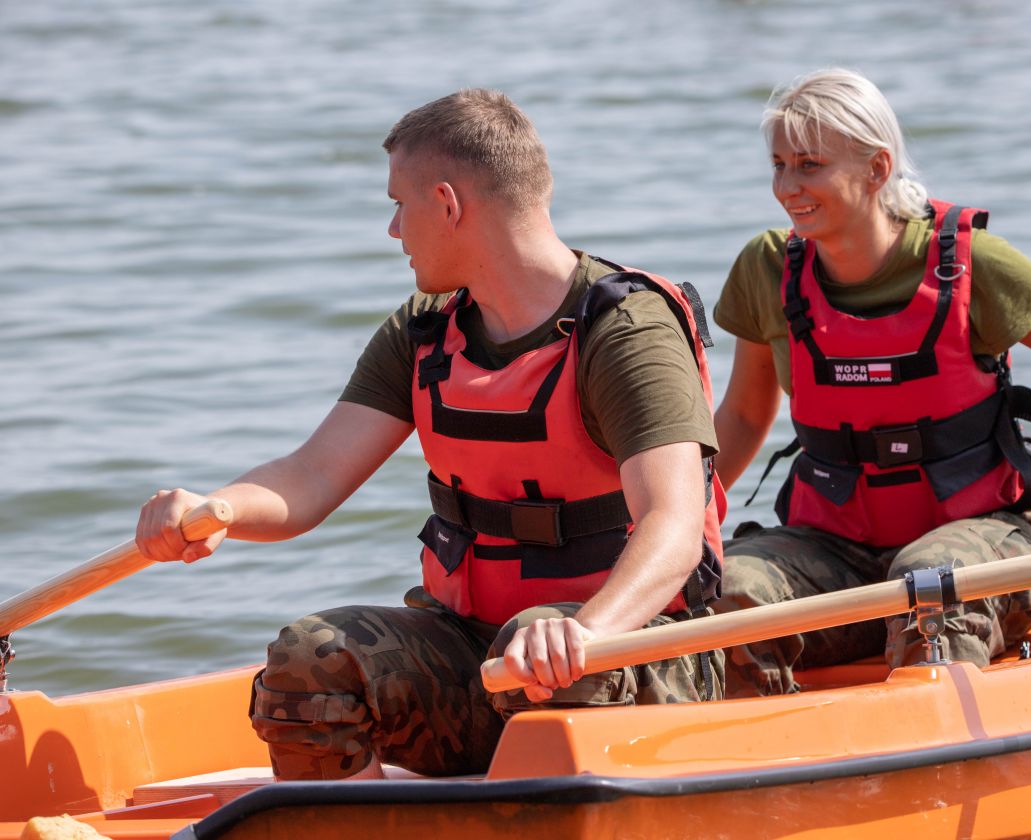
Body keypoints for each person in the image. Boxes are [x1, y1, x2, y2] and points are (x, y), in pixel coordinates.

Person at [134, 89, 725, 779]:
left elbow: (674, 528)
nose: (392, 230)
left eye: (398, 204)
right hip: (483, 657)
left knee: (540, 652)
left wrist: (585, 633)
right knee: (307, 661)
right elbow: (313, 475)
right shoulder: (424, 332)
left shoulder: (625, 332)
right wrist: (217, 509)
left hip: (630, 653)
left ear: (447, 203)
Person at [710, 68, 1031, 696]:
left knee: (929, 581)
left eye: (810, 165)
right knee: (727, 592)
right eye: (780, 165)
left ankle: (932, 750)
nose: (788, 187)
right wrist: (670, 538)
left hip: (982, 542)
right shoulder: (767, 269)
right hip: (838, 553)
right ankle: (759, 762)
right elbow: (740, 419)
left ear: (877, 169)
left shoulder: (975, 264)